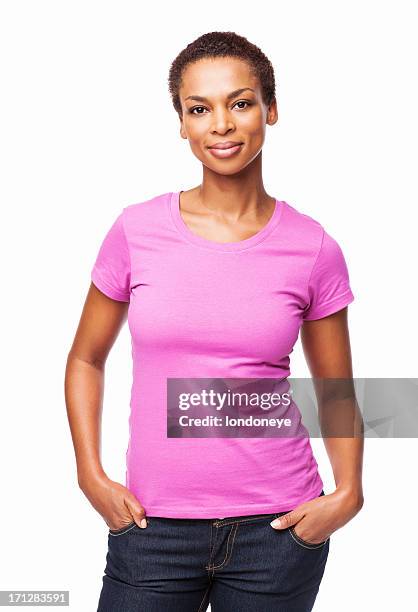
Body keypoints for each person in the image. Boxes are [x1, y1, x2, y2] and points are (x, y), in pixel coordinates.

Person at [65, 31, 364, 612]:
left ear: (270, 111)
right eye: (199, 109)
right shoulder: (136, 232)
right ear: (181, 123)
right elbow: (84, 358)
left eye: (241, 102)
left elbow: (335, 386)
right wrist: (90, 474)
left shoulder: (312, 247)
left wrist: (347, 492)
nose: (220, 124)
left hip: (278, 532)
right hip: (151, 528)